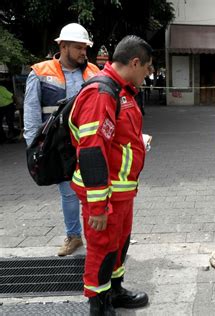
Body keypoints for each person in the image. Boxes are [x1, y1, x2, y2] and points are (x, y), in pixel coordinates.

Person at [69, 35, 152, 315]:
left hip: (122, 191)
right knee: (102, 249)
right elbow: (92, 150)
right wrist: (98, 206)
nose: (147, 75)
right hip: (105, 195)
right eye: (147, 69)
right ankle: (99, 304)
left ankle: (115, 290)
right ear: (135, 62)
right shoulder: (102, 93)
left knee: (119, 243)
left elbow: (116, 137)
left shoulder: (121, 91)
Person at [23, 23, 99, 255]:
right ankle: (74, 236)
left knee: (94, 190)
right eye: (78, 48)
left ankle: (95, 238)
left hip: (88, 143)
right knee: (68, 192)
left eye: (85, 48)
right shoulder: (40, 72)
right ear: (62, 45)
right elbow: (31, 112)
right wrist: (34, 147)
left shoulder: (94, 72)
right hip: (59, 145)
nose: (83, 53)